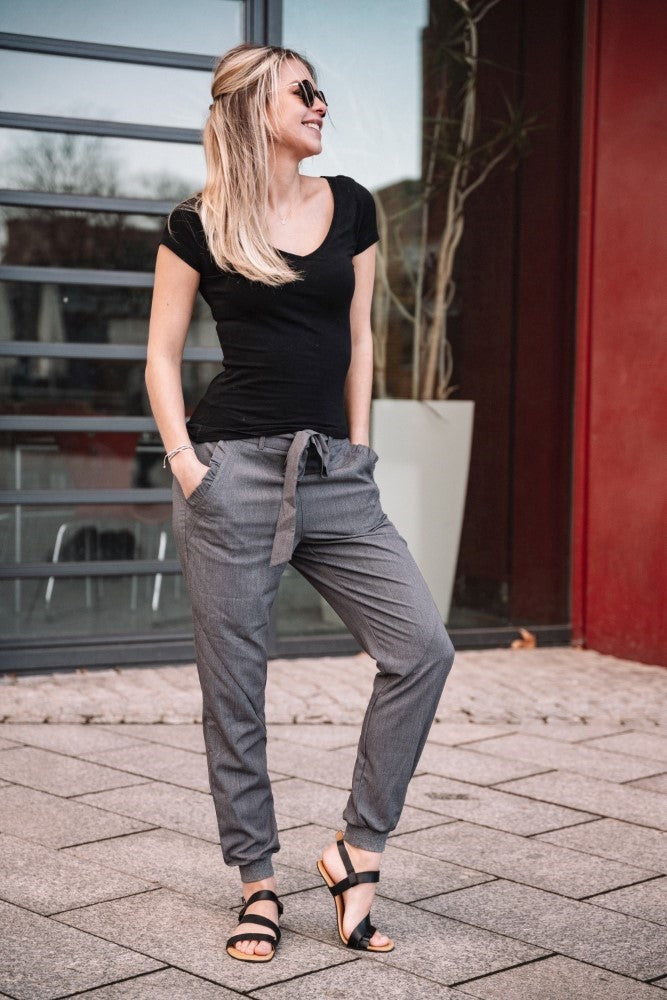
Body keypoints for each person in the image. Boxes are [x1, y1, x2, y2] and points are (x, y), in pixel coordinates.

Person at [146, 42, 456, 964]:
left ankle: (356, 850)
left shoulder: (353, 205)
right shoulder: (198, 224)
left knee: (421, 649)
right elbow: (161, 357)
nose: (321, 104)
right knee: (234, 691)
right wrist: (184, 463)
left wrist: (359, 451)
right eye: (303, 92)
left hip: (334, 472)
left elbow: (359, 337)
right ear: (253, 109)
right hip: (229, 469)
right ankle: (257, 883)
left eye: (321, 90)